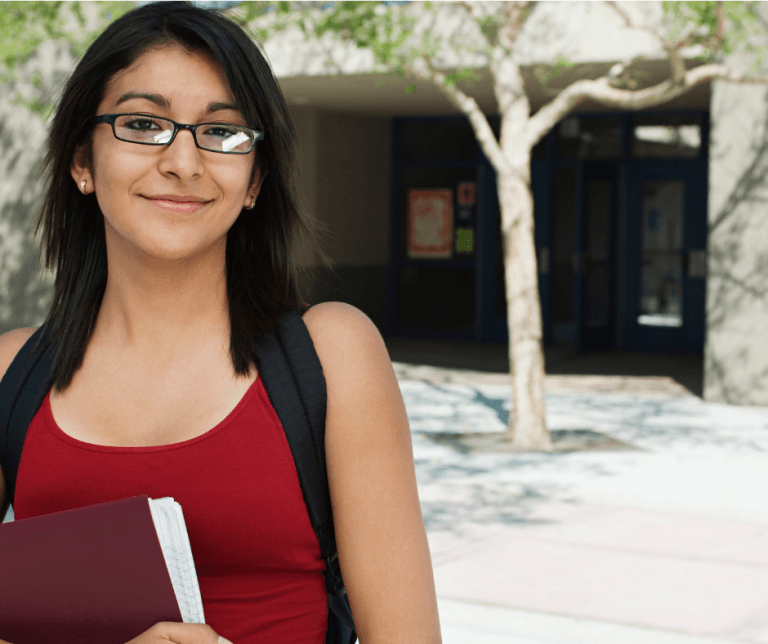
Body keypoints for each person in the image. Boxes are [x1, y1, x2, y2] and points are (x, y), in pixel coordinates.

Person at [0, 3, 441, 643]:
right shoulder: (13, 372)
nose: (184, 161)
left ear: (256, 178)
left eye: (224, 133)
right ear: (81, 162)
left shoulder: (331, 355)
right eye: (143, 123)